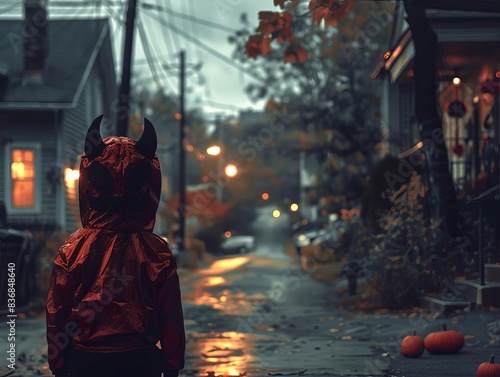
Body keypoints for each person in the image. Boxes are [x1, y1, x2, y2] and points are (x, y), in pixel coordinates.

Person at [46, 115, 185, 377]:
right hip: (140, 360)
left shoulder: (72, 250)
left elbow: (57, 313)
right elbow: (171, 316)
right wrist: (171, 365)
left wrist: (59, 365)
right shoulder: (156, 252)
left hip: (84, 361)